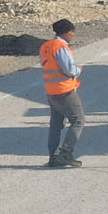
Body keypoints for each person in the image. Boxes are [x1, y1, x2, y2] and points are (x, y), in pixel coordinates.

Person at [37, 19, 84, 167]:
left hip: (51, 91)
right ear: (65, 32)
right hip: (65, 90)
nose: (73, 34)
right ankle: (66, 153)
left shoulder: (45, 47)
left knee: (56, 125)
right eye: (71, 32)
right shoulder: (60, 47)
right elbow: (69, 69)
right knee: (78, 120)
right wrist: (79, 70)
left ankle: (54, 156)